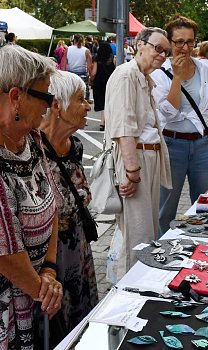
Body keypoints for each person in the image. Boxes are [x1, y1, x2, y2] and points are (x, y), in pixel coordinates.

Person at [0, 45, 62, 349]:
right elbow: (6, 253)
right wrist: (43, 289)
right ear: (16, 98)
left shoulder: (33, 140)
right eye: (45, 98)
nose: (48, 108)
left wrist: (49, 269)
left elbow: (52, 209)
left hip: (34, 293)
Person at [104, 27, 172, 277]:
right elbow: (123, 129)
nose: (162, 55)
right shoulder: (126, 76)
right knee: (138, 233)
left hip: (148, 157)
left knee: (146, 230)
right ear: (138, 45)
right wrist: (132, 171)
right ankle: (129, 289)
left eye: (166, 51)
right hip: (138, 158)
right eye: (158, 48)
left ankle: (139, 282)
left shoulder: (143, 78)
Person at [151, 16, 208, 235]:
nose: (185, 48)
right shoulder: (159, 73)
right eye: (179, 42)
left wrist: (203, 118)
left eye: (190, 42)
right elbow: (168, 111)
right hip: (171, 145)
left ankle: (202, 251)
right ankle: (162, 255)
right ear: (169, 43)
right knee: (165, 210)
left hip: (202, 145)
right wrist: (176, 77)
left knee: (205, 207)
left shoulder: (204, 68)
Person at [40, 70, 98, 343]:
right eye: (80, 99)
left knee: (81, 329)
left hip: (79, 253)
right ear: (56, 105)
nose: (87, 106)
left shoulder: (74, 147)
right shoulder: (32, 149)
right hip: (50, 262)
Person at [90, 42, 115, 131]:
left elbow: (94, 73)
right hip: (110, 82)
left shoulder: (97, 58)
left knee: (102, 102)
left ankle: (102, 123)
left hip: (99, 82)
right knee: (108, 101)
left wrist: (91, 80)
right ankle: (106, 121)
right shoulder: (112, 58)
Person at [62, 34, 93, 103]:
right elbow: (89, 66)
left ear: (74, 40)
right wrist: (91, 77)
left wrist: (63, 75)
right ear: (83, 41)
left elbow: (63, 64)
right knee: (83, 93)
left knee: (71, 93)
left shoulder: (68, 49)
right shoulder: (86, 50)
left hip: (70, 75)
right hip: (83, 75)